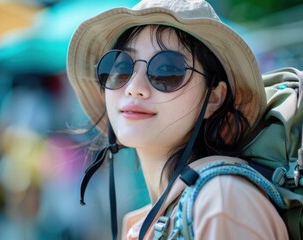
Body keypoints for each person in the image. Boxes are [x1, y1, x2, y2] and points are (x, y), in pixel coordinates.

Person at [66, 0, 289, 239]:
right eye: (120, 67)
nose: (134, 88)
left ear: (214, 97)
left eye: (167, 71)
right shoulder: (148, 220)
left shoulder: (221, 203)